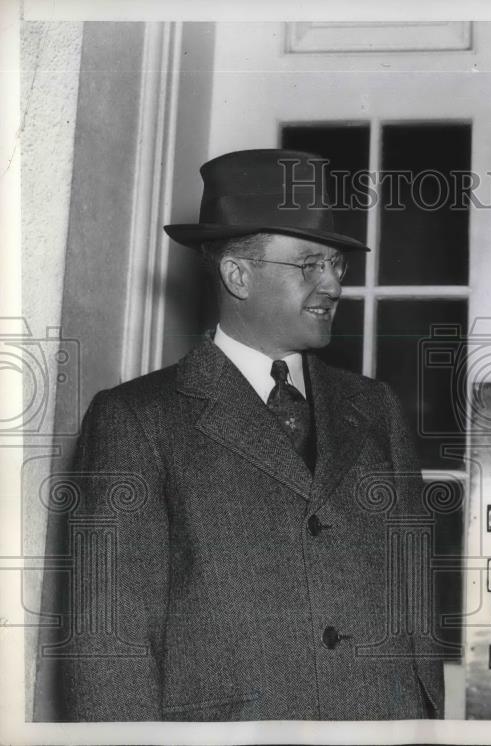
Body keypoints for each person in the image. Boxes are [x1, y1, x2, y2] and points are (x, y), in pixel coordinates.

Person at [42, 149, 443, 720]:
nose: (332, 284)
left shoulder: (374, 408)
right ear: (237, 274)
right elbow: (108, 648)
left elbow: (415, 605)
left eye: (337, 265)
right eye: (309, 264)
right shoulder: (135, 419)